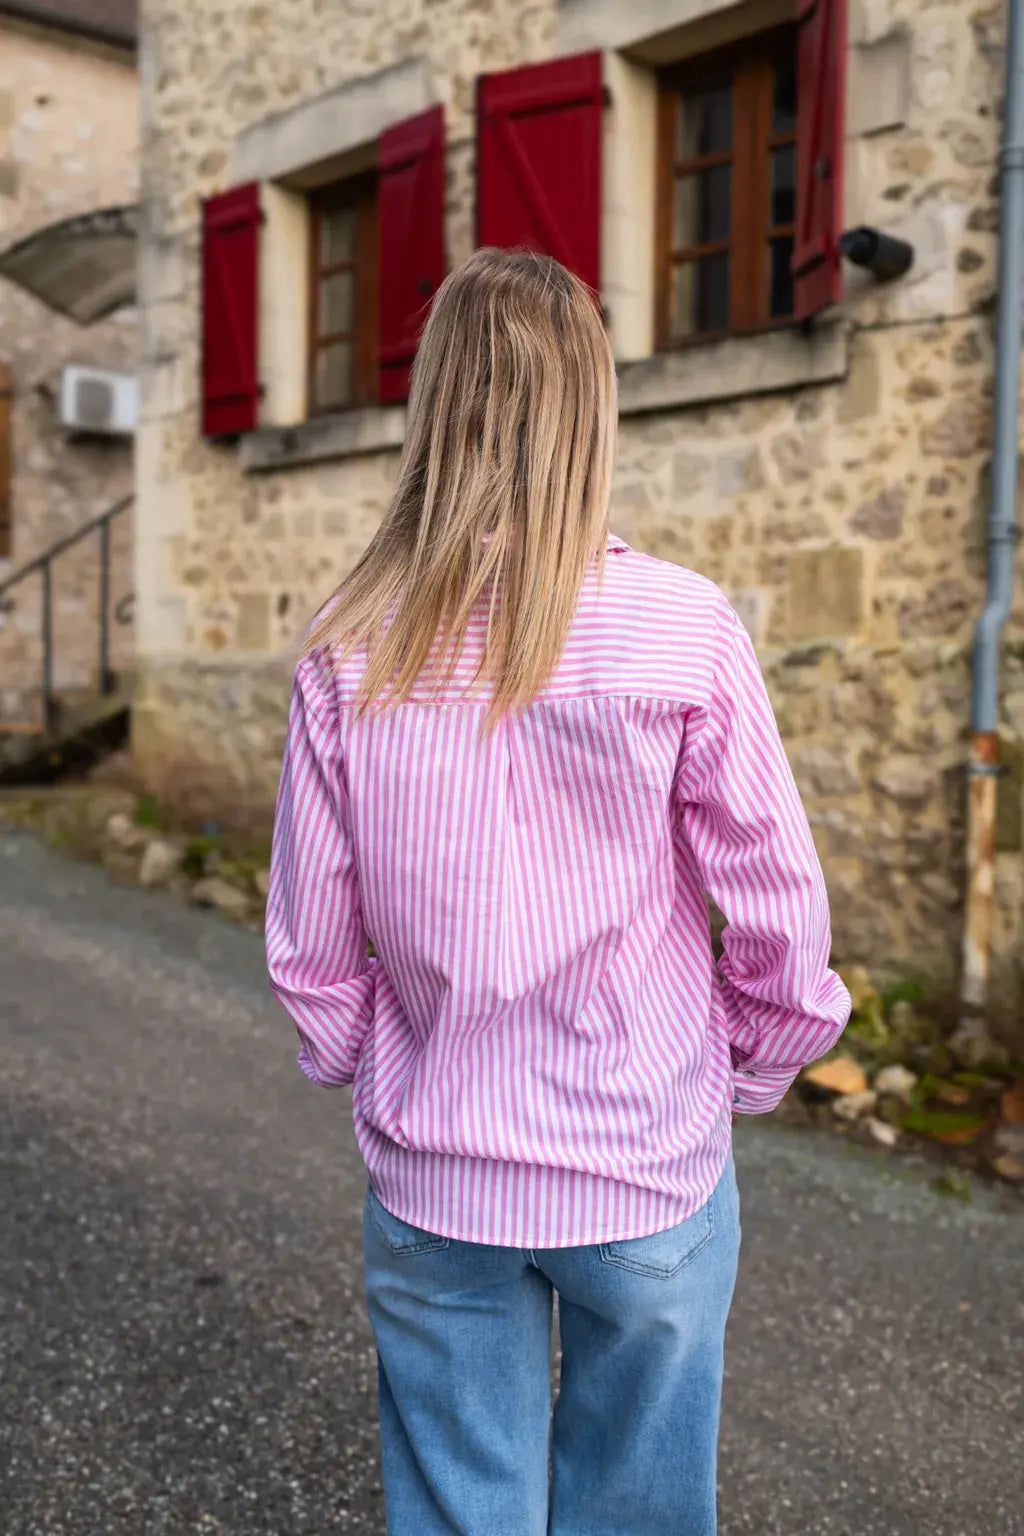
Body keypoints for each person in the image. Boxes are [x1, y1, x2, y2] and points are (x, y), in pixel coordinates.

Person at [265, 247, 851, 1536]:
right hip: (645, 1164)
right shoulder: (683, 625)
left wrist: (389, 1069)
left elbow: (311, 950)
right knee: (639, 1510)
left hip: (435, 1173)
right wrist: (746, 1068)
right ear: (593, 406)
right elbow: (777, 909)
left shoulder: (348, 641)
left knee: (460, 1511)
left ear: (435, 405)